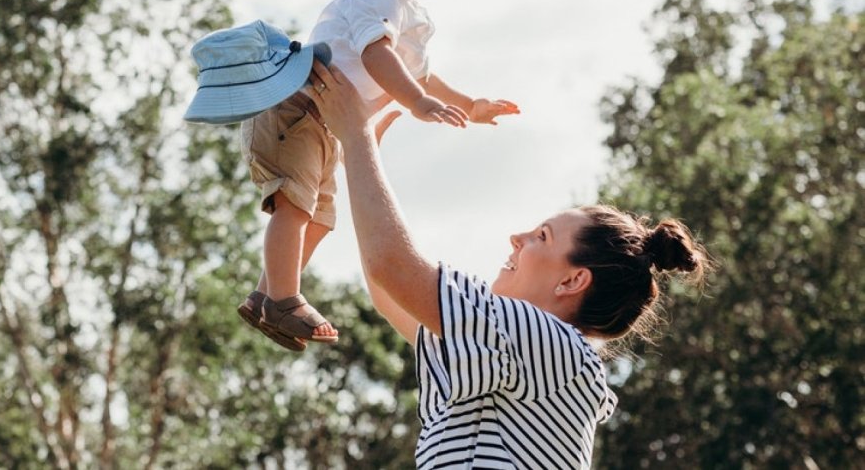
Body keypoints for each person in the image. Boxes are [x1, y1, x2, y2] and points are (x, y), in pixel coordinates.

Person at [304, 61, 712, 468]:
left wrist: (356, 137)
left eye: (542, 237)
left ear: (572, 280)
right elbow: (390, 290)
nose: (517, 239)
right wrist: (358, 158)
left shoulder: (551, 342)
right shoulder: (532, 355)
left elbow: (392, 268)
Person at [236, 0, 520, 351]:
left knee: (321, 218)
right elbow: (376, 56)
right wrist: (415, 102)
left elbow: (422, 75)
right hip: (297, 107)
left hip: (325, 123)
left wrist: (470, 105)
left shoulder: (408, 10)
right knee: (295, 205)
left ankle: (268, 295)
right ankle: (284, 297)